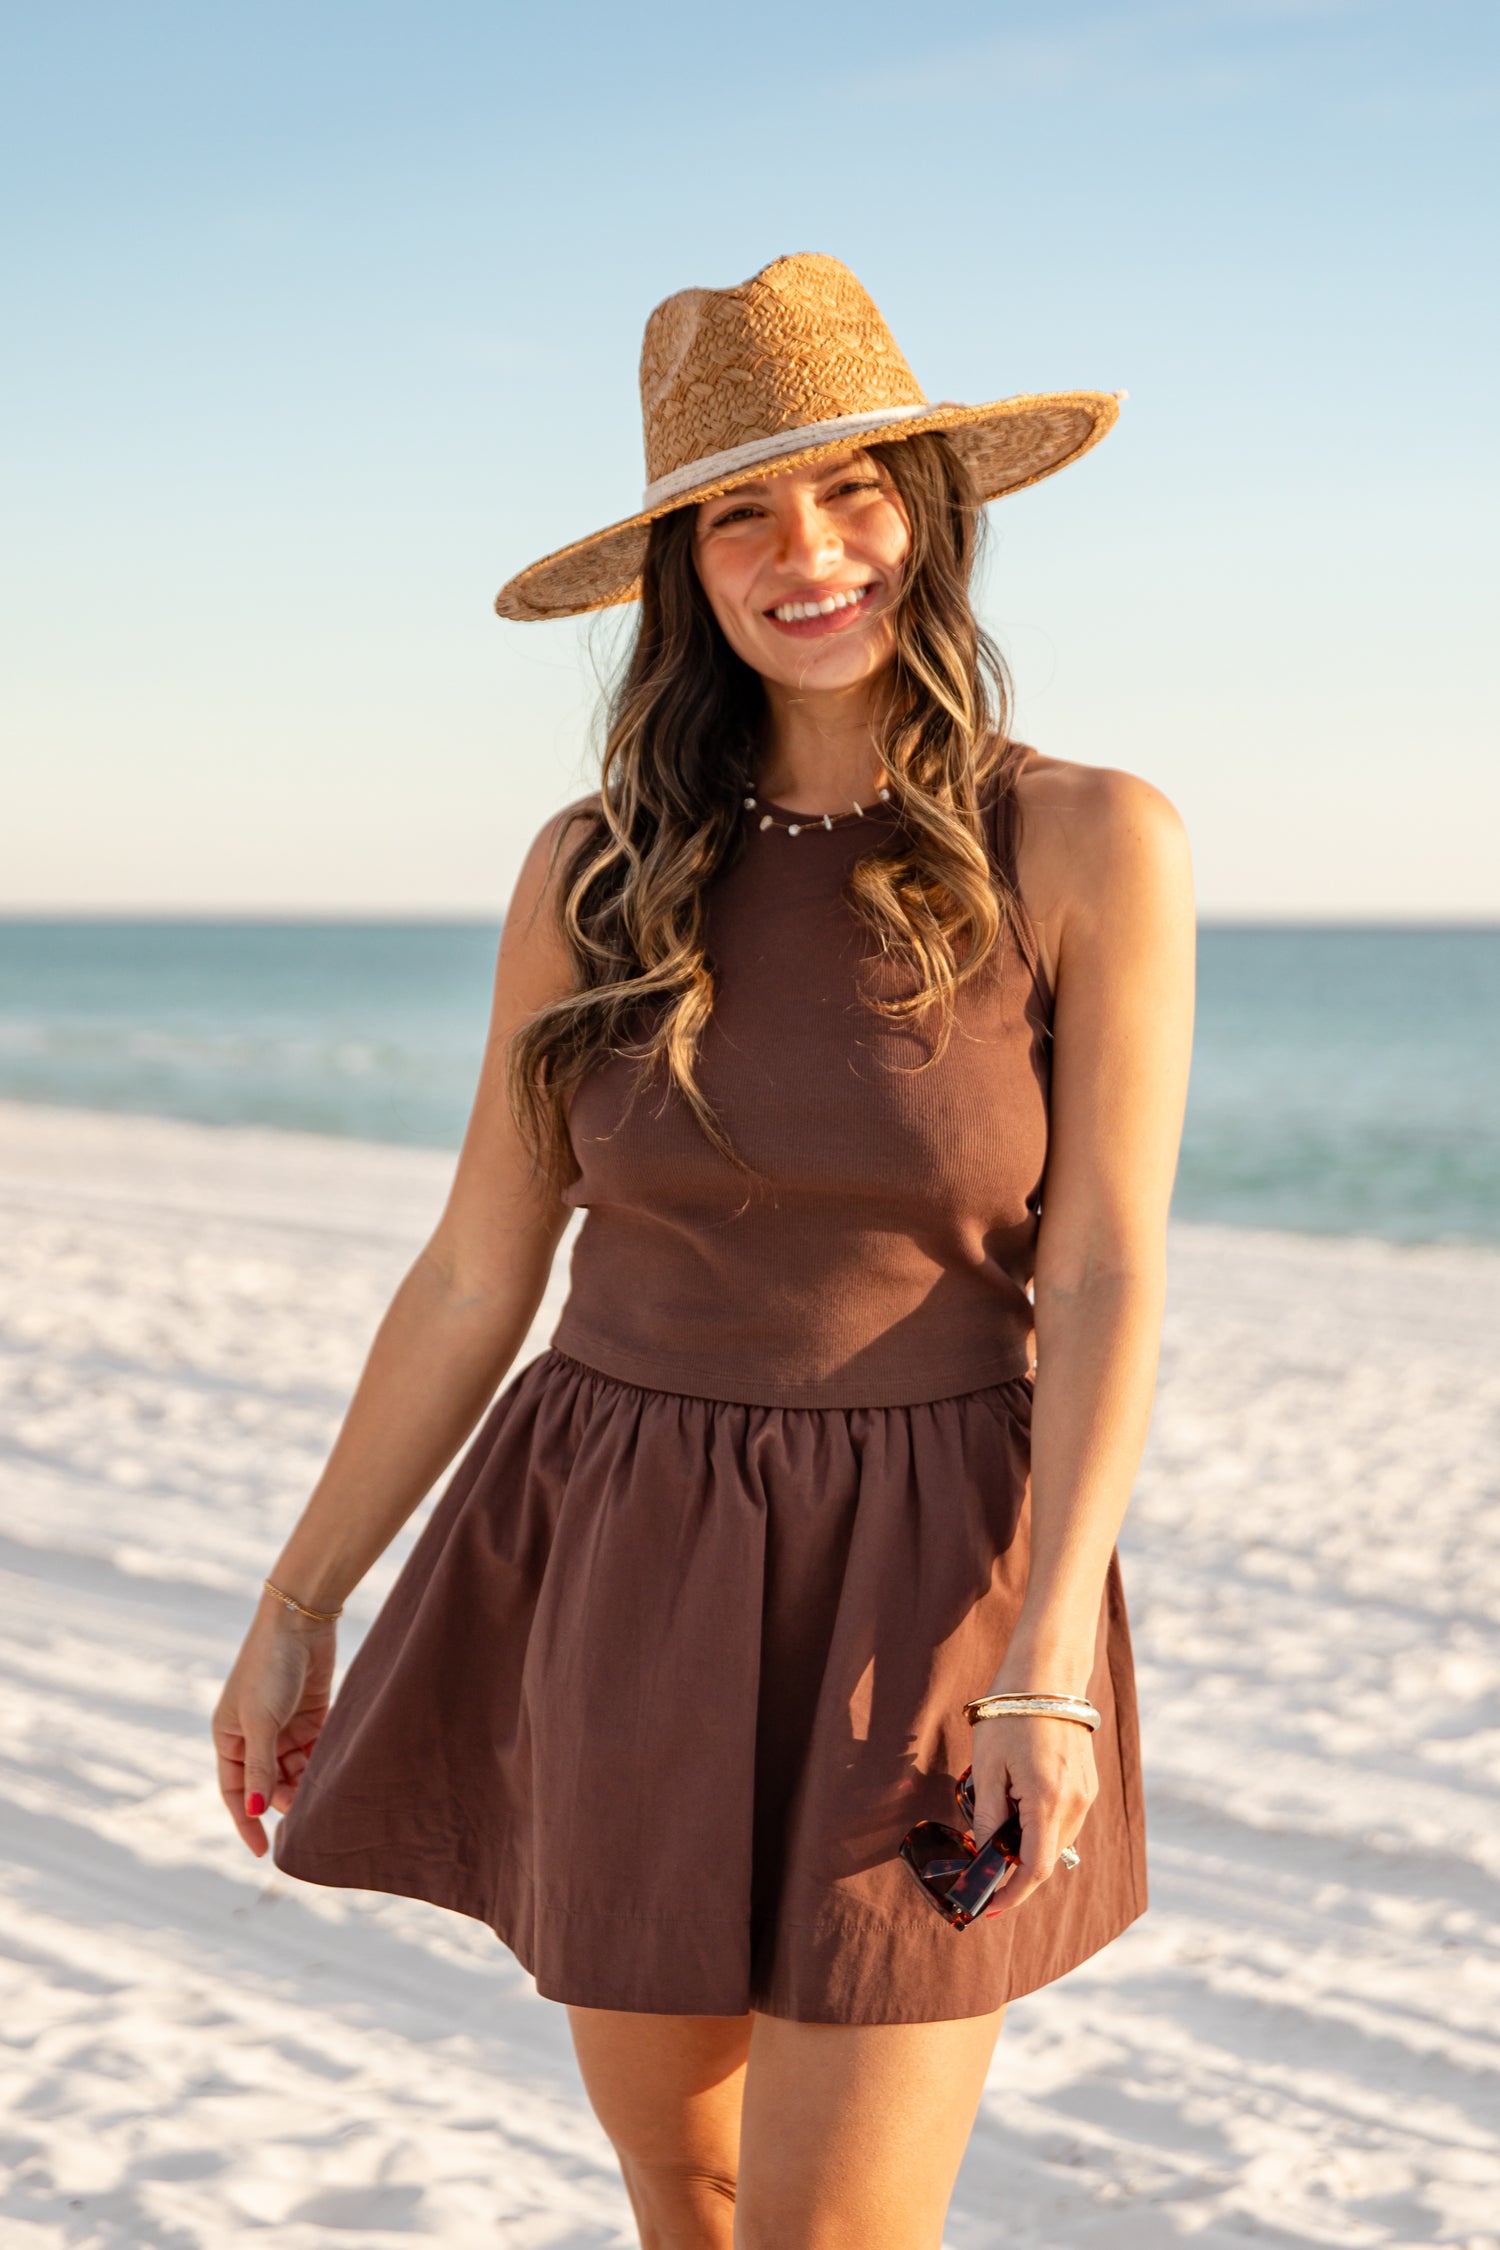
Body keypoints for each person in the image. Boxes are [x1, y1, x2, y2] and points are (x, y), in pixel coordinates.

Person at [213, 252, 1195, 2248]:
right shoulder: (595, 868)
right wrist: (305, 1593)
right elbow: (480, 1271)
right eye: (741, 508)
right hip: (623, 1543)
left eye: (849, 491)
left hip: (932, 1572)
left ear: (928, 512)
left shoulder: (1089, 843)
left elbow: (1099, 1274)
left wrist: (1051, 1662)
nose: (804, 549)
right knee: (691, 2183)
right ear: (684, 565)